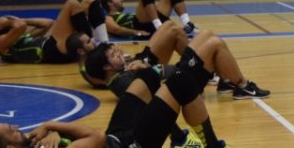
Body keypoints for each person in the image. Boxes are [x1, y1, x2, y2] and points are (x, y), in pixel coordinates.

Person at [0, 31, 254, 148]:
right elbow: (94, 138)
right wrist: (53, 125)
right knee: (180, 80)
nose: (16, 127)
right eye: (11, 130)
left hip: (117, 140)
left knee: (148, 77)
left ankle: (181, 142)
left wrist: (53, 135)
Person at [83, 26, 270, 101]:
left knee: (207, 34)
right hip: (184, 83)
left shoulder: (121, 73)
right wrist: (147, 68)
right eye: (114, 55)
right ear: (106, 68)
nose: (120, 55)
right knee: (215, 43)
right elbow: (153, 95)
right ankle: (243, 86)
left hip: (179, 74)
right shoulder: (122, 83)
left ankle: (225, 80)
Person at [0, 0, 104, 64]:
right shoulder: (0, 44)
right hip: (51, 52)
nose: (1, 19)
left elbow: (47, 24)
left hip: (55, 45)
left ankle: (101, 44)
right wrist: (10, 21)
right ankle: (102, 47)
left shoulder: (20, 37)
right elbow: (19, 26)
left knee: (89, 1)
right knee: (72, 3)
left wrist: (22, 19)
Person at [100, 0, 199, 41]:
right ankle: (159, 26)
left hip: (151, 22)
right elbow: (115, 29)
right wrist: (136, 32)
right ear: (109, 3)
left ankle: (187, 23)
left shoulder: (124, 15)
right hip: (142, 26)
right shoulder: (108, 17)